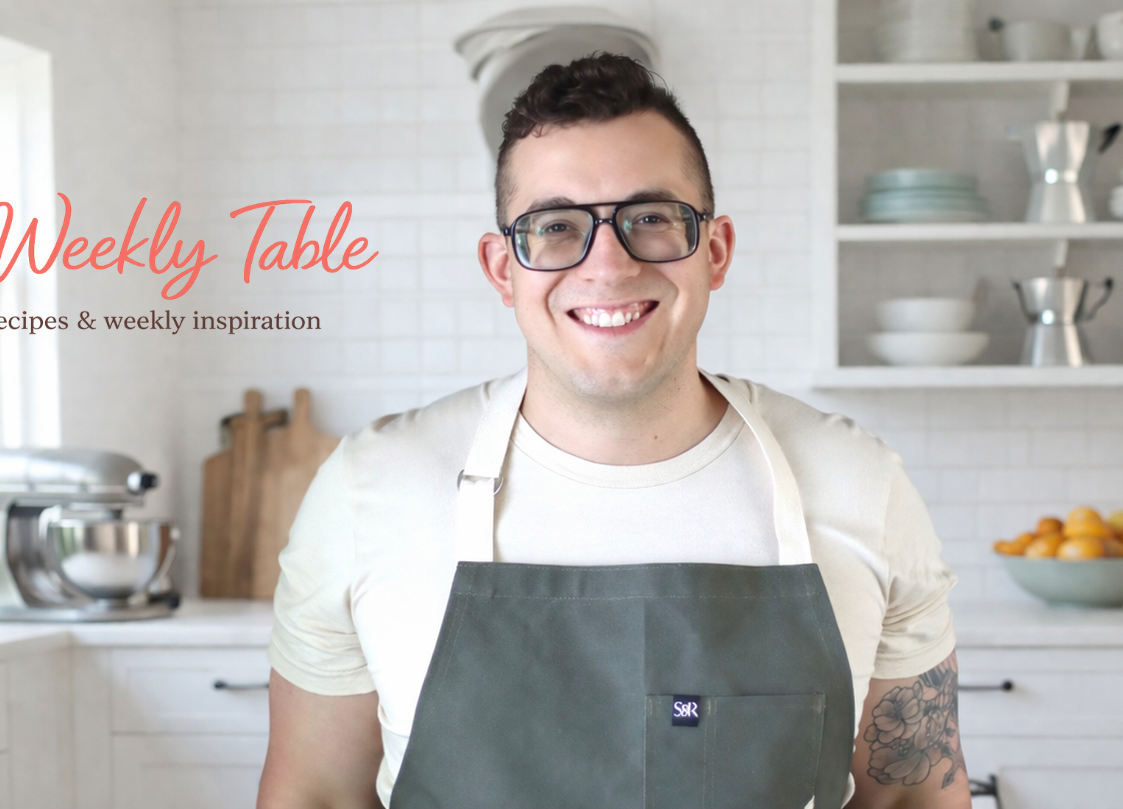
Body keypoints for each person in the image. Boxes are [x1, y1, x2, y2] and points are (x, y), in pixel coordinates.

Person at [256, 54, 967, 809]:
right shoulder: (370, 491)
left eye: (651, 219)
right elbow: (315, 794)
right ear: (503, 269)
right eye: (556, 226)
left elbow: (911, 797)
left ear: (715, 250)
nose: (608, 264)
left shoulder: (861, 484)